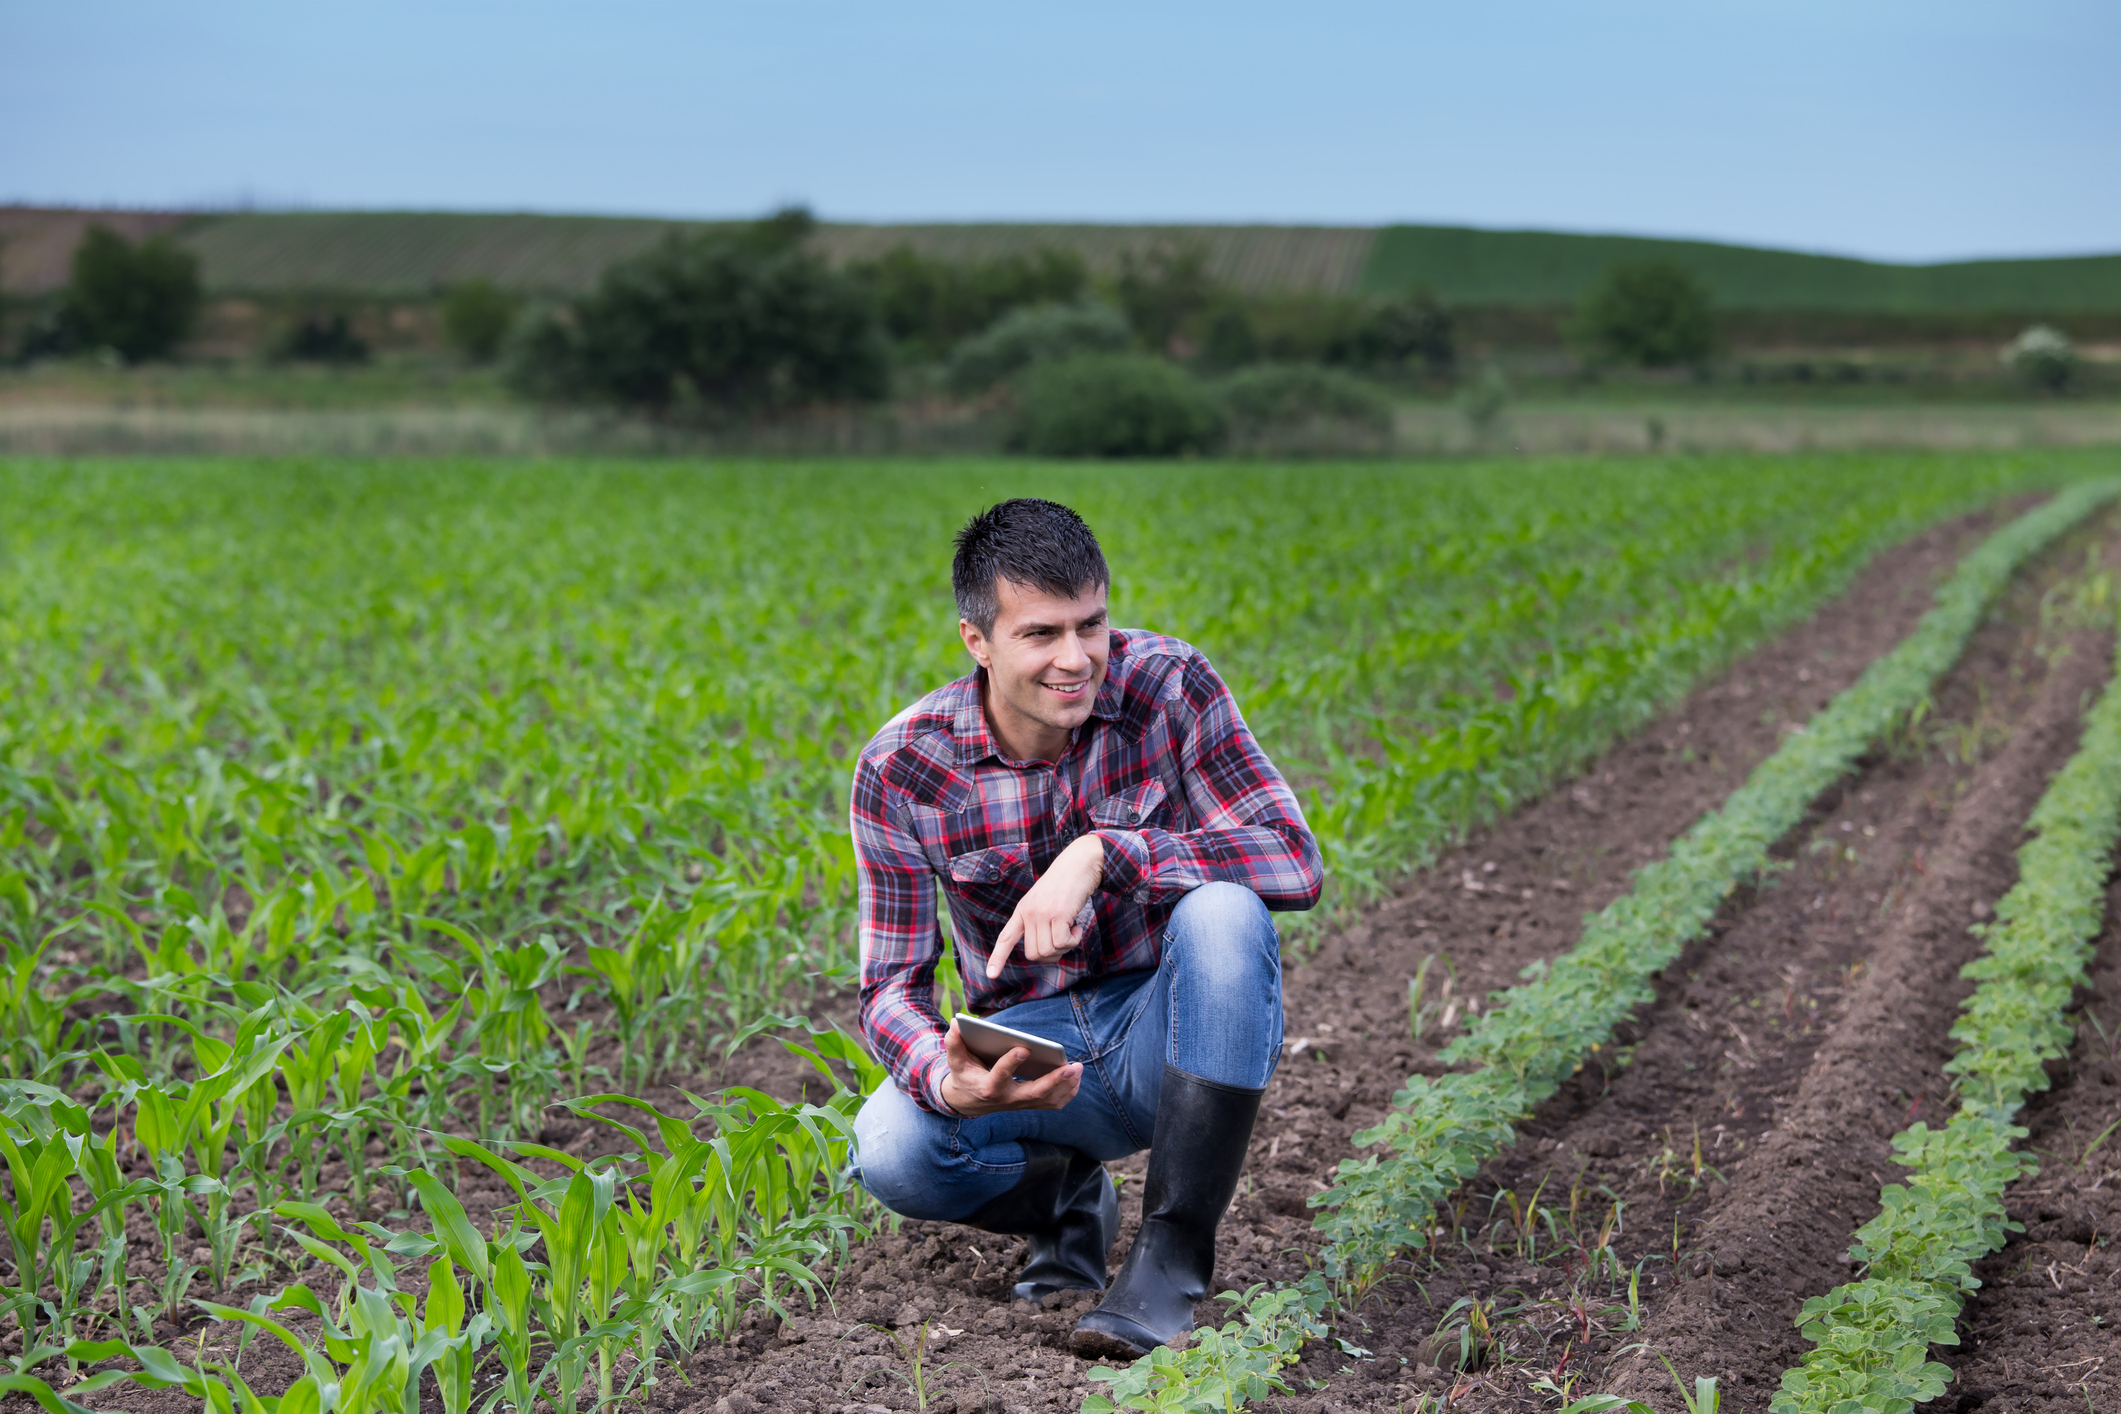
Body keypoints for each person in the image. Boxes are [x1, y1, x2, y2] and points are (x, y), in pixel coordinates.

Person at [848, 497, 1323, 1356]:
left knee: (1223, 910)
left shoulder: (1170, 686)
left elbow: (1292, 857)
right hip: (1033, 1061)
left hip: (1168, 1036)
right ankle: (1067, 1205)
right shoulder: (906, 766)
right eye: (1040, 635)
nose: (1076, 659)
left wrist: (1109, 852)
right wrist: (944, 1078)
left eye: (1091, 624)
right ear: (976, 641)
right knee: (888, 1147)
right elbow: (889, 987)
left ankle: (1168, 1262)